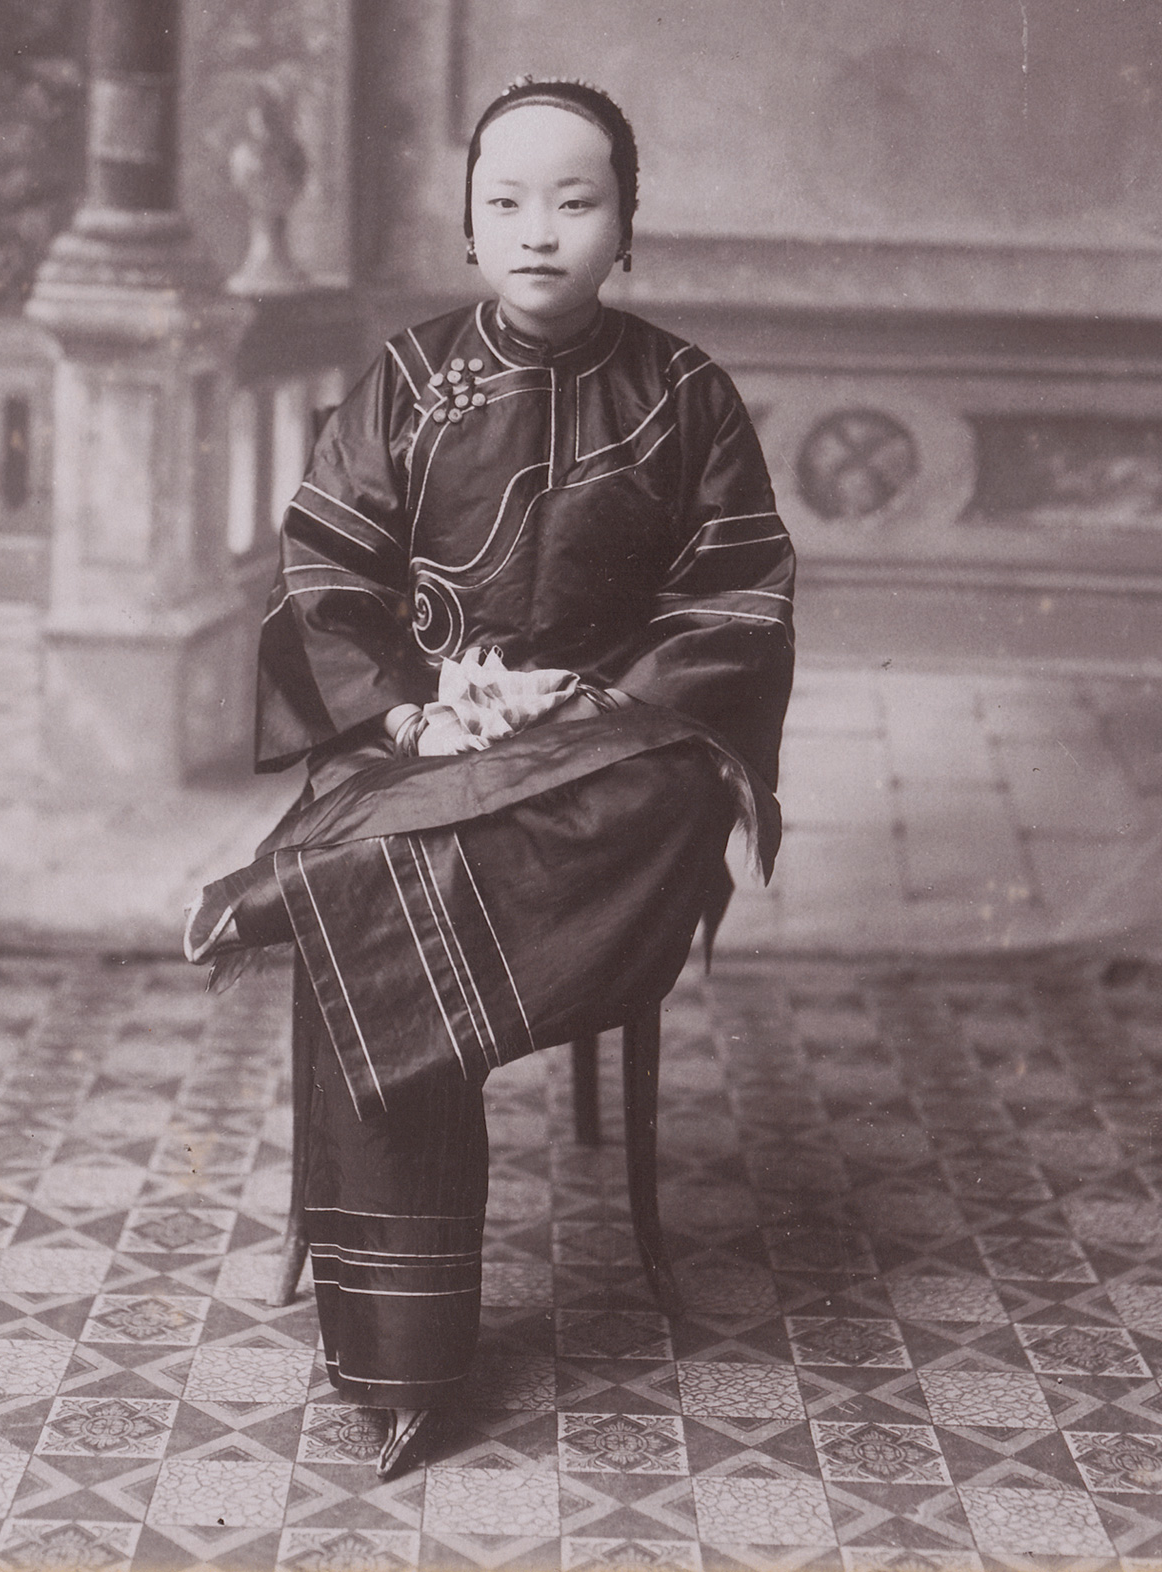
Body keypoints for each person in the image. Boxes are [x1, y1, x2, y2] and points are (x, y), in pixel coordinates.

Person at [186, 77, 795, 1477]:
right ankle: (400, 1364)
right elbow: (324, 572)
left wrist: (589, 698)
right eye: (506, 201)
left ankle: (302, 886)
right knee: (401, 866)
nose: (539, 230)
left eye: (577, 201)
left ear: (627, 224)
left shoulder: (686, 394)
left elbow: (738, 602)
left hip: (605, 756)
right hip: (429, 746)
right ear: (467, 225)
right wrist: (411, 711)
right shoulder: (407, 381)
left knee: (484, 851)